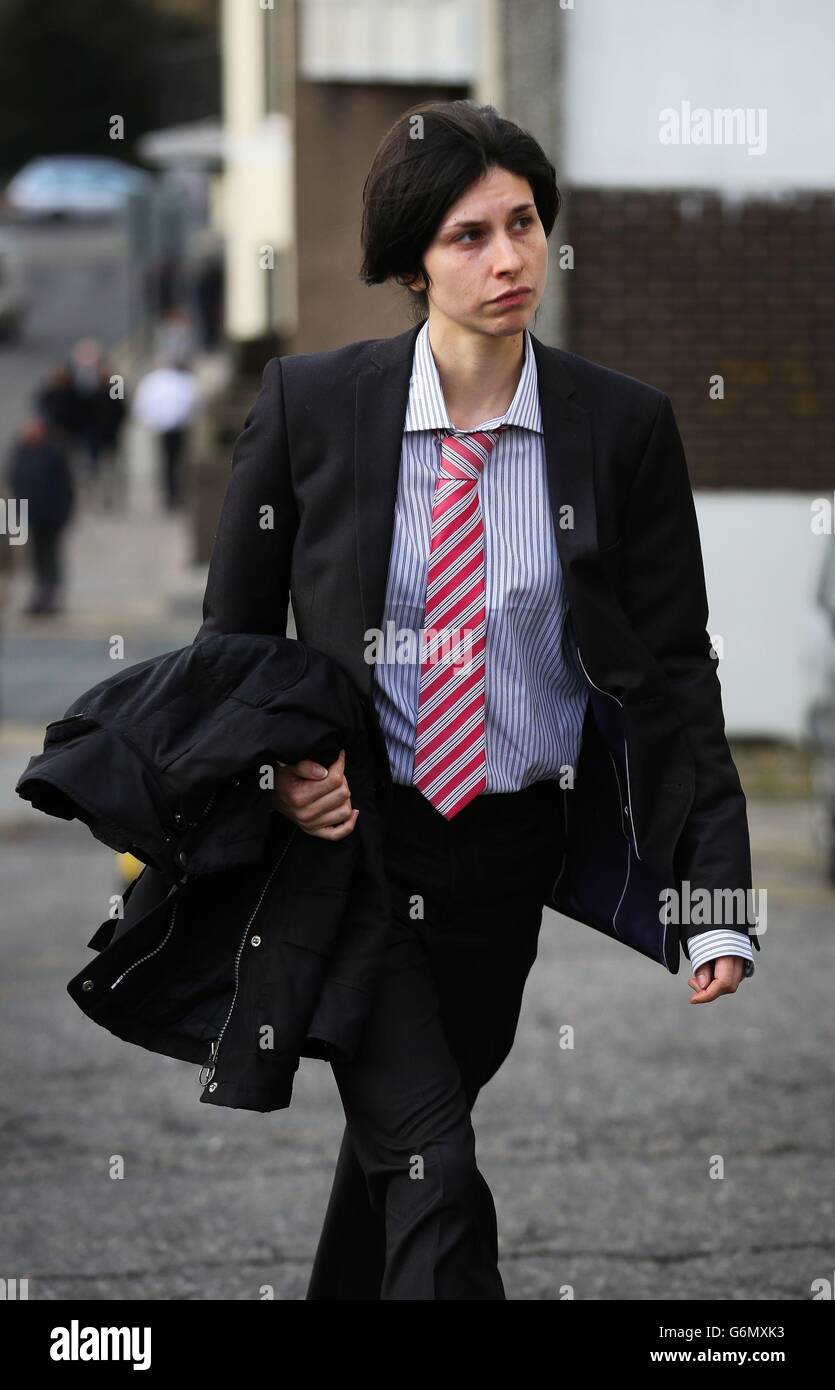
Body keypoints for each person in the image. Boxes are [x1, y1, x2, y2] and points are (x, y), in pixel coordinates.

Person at [193, 100, 758, 1299]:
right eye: (466, 235)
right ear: (411, 261)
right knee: (435, 1166)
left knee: (402, 1150)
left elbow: (673, 676)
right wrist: (280, 770)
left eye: (522, 225)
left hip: (508, 855)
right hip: (358, 853)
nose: (508, 260)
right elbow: (232, 648)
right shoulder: (311, 410)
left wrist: (712, 898)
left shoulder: (620, 428)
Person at [6, 414, 75, 616]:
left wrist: (63, 514)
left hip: (51, 516)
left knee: (51, 555)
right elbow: (15, 483)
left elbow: (65, 487)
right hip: (30, 515)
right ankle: (39, 595)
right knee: (35, 557)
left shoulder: (53, 453)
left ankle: (51, 595)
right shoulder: (21, 452)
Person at [132, 355, 201, 510]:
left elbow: (142, 406)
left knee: (169, 461)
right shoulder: (183, 381)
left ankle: (172, 492)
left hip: (167, 427)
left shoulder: (155, 381)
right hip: (174, 427)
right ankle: (173, 492)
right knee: (173, 461)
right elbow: (195, 404)